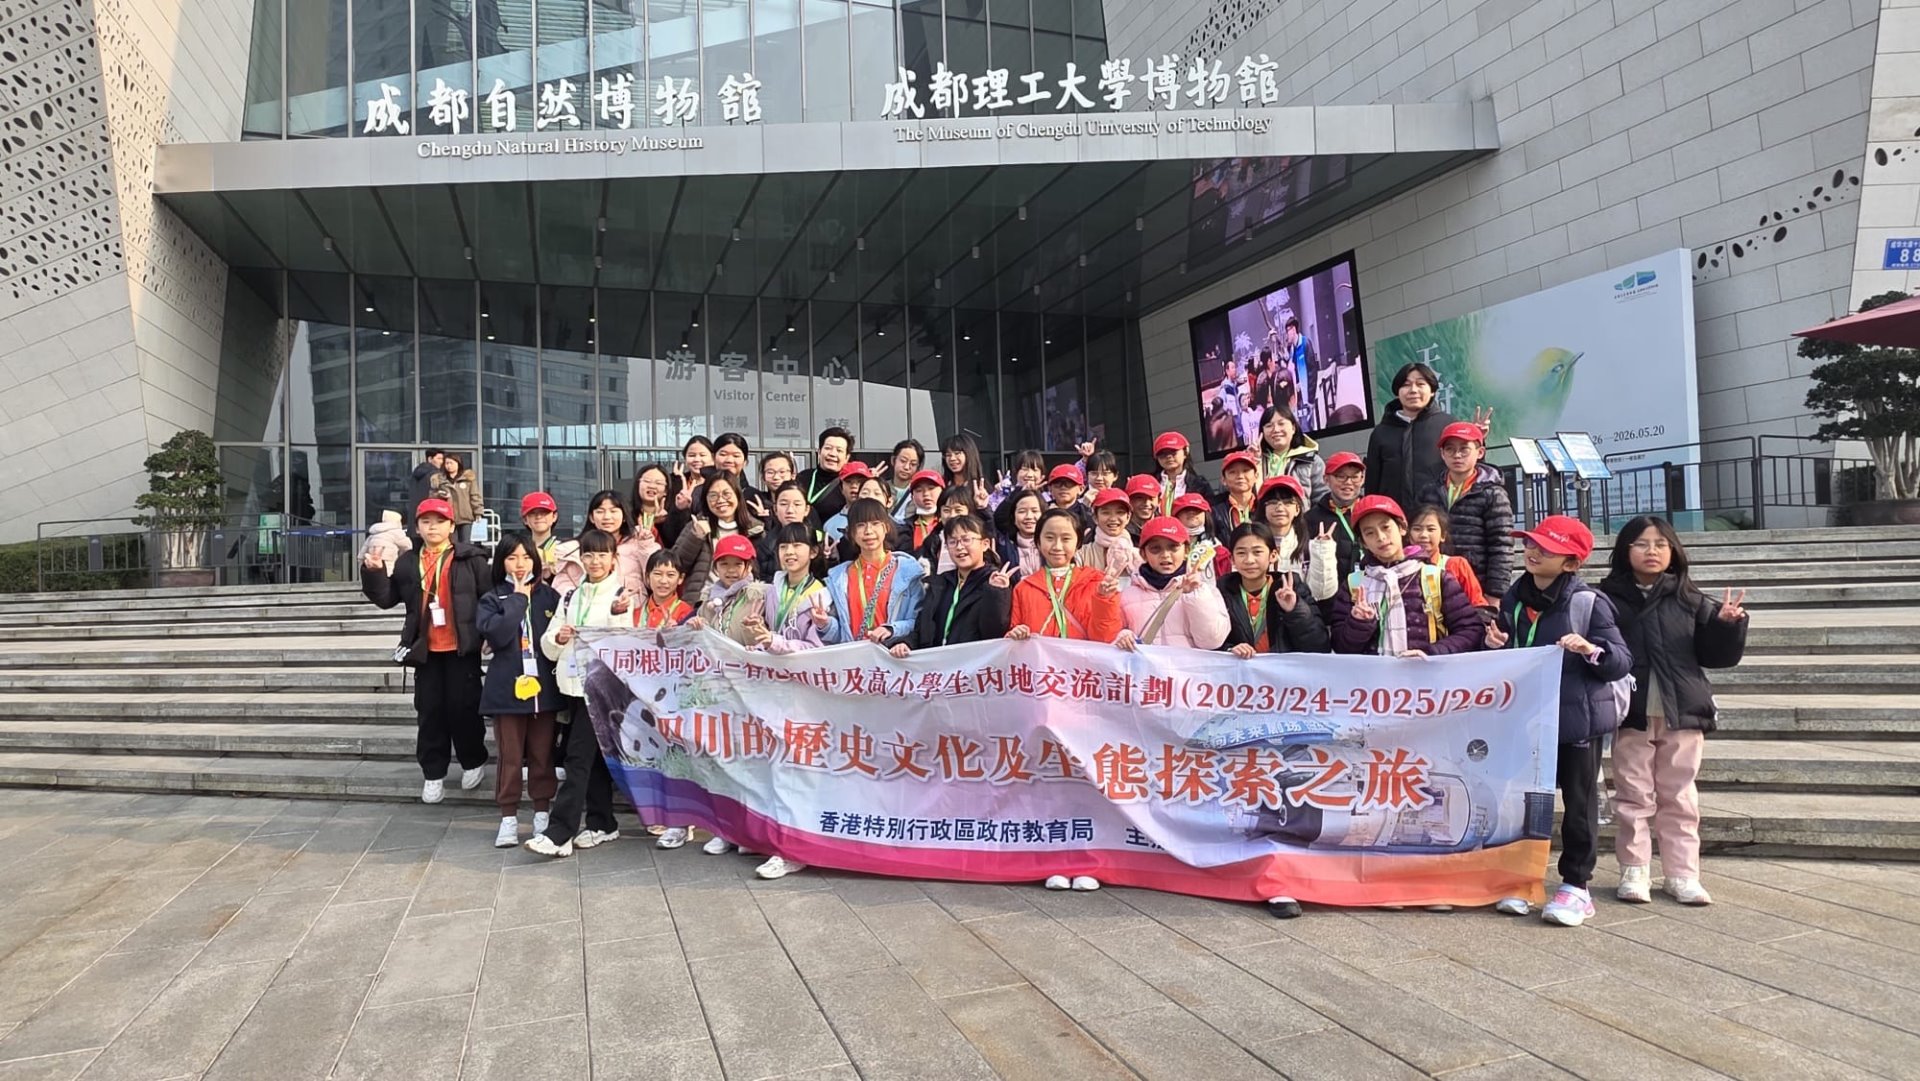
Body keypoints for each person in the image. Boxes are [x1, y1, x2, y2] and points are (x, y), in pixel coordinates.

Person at [1484, 515, 1634, 927]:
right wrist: (1493, 642)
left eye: (1547, 549)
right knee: (1522, 801)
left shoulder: (1588, 603)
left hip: (1575, 723)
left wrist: (1589, 649)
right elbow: (1508, 650)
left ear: (1570, 563)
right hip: (1526, 718)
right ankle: (1522, 878)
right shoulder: (1515, 597)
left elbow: (1621, 660)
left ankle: (1576, 886)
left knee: (1579, 805)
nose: (1533, 552)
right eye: (1531, 544)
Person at [1599, 516, 1748, 908]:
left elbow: (1716, 657)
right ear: (1625, 550)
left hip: (1682, 710)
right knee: (1632, 796)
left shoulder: (1691, 599)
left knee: (1679, 795)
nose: (1652, 551)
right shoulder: (1606, 599)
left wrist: (1727, 626)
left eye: (1661, 544)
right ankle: (1635, 870)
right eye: (1642, 544)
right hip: (1631, 712)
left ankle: (1682, 874)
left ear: (1673, 551)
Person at [362, 497, 492, 804]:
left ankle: (473, 761)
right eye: (426, 522)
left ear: (451, 526)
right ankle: (433, 774)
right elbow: (386, 598)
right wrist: (374, 572)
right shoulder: (408, 561)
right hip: (425, 650)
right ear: (417, 527)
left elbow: (488, 598)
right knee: (430, 712)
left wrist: (488, 633)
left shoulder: (470, 558)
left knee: (464, 709)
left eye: (440, 521)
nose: (433, 527)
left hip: (462, 648)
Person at [527, 528, 629, 858]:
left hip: (600, 690)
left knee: (577, 758)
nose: (595, 561)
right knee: (592, 759)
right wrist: (558, 638)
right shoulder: (571, 596)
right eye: (588, 554)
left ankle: (560, 831)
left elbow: (625, 646)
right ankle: (603, 823)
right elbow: (549, 641)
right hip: (572, 686)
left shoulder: (621, 598)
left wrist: (617, 617)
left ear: (613, 558)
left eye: (602, 554)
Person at [475, 534, 563, 848]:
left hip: (544, 690)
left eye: (526, 557)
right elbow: (496, 635)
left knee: (543, 754)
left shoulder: (550, 597)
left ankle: (541, 813)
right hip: (507, 691)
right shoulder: (492, 598)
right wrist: (518, 599)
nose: (520, 564)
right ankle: (508, 817)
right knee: (510, 757)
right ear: (501, 563)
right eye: (512, 558)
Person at [1328, 495, 1483, 658]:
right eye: (1370, 533)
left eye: (1386, 527)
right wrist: (1358, 623)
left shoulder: (1436, 578)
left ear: (1402, 528)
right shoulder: (1354, 584)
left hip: (1426, 673)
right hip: (1373, 675)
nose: (1381, 537)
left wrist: (1431, 653)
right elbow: (1340, 647)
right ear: (1364, 542)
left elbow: (1471, 631)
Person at [1416, 422, 1515, 599]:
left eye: (1464, 449)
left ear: (1480, 452)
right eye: (1450, 449)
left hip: (1476, 585)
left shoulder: (1493, 494)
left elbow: (1501, 546)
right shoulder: (1429, 491)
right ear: (1442, 454)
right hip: (1432, 581)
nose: (1457, 455)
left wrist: (1494, 594)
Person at [890, 514, 1013, 653]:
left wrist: (996, 594)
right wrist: (907, 644)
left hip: (971, 663)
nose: (959, 547)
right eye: (952, 542)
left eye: (966, 540)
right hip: (937, 663)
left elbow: (994, 634)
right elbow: (922, 630)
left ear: (985, 544)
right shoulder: (940, 583)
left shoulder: (996, 583)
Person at [1006, 508, 1123, 645]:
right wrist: (1016, 633)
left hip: (1080, 659)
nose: (1057, 546)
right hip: (1041, 659)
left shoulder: (1096, 582)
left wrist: (1104, 599)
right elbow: (1012, 639)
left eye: (1066, 539)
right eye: (1049, 538)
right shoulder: (1024, 588)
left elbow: (1105, 638)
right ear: (1038, 542)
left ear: (1078, 543)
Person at [1114, 516, 1230, 652]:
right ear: (1143, 554)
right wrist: (1123, 637)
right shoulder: (1126, 596)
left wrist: (1195, 596)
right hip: (1145, 666)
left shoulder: (1205, 591)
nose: (1165, 555)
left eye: (1173, 547)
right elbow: (1111, 634)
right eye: (1155, 549)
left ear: (1186, 550)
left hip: (1186, 666)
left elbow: (1212, 641)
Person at [823, 498, 926, 645]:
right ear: (851, 532)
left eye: (875, 523)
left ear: (886, 527)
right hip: (855, 656)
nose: (868, 531)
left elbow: (919, 622)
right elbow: (839, 634)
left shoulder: (907, 572)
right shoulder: (840, 578)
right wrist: (825, 624)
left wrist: (892, 629)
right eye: (860, 525)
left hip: (893, 654)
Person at [1219, 523, 1330, 657]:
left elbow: (1319, 645)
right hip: (1240, 669)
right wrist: (1229, 650)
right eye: (1241, 553)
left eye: (1257, 552)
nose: (1249, 560)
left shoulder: (1292, 587)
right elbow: (1208, 641)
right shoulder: (1221, 591)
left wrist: (1295, 609)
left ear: (1273, 555)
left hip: (1284, 669)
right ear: (1232, 559)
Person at [1364, 361, 1457, 510]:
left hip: (1438, 516)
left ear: (1432, 391)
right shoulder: (1381, 433)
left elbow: (1467, 468)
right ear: (1397, 392)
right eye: (1406, 385)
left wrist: (1478, 440)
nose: (1413, 390)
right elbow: (1372, 485)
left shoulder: (1448, 425)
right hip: (1393, 518)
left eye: (1420, 384)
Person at [672, 472, 764, 603]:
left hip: (743, 603)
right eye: (713, 495)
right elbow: (676, 566)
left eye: (726, 494)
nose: (720, 500)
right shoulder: (696, 525)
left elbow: (763, 572)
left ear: (738, 495)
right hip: (702, 602)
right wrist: (695, 537)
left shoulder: (755, 530)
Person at [1304, 451, 1367, 602]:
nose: (1348, 482)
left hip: (1370, 595)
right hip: (1330, 601)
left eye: (1354, 477)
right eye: (1340, 476)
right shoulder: (1310, 519)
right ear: (1326, 479)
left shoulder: (1372, 512)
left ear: (1362, 479)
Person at [692, 533, 768, 649]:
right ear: (715, 568)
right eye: (724, 564)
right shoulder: (708, 599)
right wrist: (697, 627)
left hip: (747, 659)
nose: (731, 570)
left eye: (738, 564)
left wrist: (754, 633)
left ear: (750, 567)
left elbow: (772, 638)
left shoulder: (760, 597)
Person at [1408, 505, 1489, 608]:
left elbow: (1478, 604)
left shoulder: (1457, 565)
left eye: (1431, 529)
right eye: (1417, 529)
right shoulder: (1403, 569)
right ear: (1408, 534)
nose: (1423, 535)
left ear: (1443, 536)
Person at [576, 489, 650, 595]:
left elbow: (653, 576)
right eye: (600, 511)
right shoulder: (575, 548)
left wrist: (645, 545)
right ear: (591, 517)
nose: (607, 517)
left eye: (613, 511)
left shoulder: (639, 542)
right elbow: (563, 585)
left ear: (624, 516)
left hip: (633, 603)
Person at [1255, 406, 1328, 505]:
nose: (1276, 429)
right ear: (1262, 432)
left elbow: (1322, 501)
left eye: (1281, 423)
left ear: (1293, 428)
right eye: (1269, 426)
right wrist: (1253, 462)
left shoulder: (1312, 461)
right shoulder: (1255, 461)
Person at [1075, 488, 1140, 577]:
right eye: (1106, 513)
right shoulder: (1081, 555)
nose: (1113, 518)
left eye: (1120, 512)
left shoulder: (1139, 556)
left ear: (1128, 517)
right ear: (1095, 518)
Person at [796, 426, 855, 521]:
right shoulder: (802, 477)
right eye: (828, 448)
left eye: (839, 450)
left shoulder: (847, 484)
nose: (832, 454)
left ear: (846, 457)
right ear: (819, 452)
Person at [1150, 431, 1215, 514]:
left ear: (1185, 452)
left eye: (1173, 452)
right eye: (1162, 454)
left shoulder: (1200, 484)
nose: (1168, 457)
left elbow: (1210, 513)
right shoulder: (1150, 482)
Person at [1256, 476, 1309, 576]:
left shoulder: (1309, 545)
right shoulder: (1250, 541)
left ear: (1297, 509)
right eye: (1273, 502)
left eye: (1287, 503)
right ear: (1263, 509)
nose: (1280, 508)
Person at [433, 452, 485, 545]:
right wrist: (440, 495)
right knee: (451, 544)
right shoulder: (440, 480)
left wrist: (478, 512)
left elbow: (475, 496)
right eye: (447, 463)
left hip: (465, 517)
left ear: (458, 463)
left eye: (451, 463)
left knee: (465, 544)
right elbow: (432, 496)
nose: (449, 466)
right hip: (448, 517)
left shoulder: (468, 479)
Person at [634, 550, 695, 630]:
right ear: (647, 577)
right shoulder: (636, 613)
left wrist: (674, 631)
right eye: (657, 574)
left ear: (680, 578)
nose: (663, 581)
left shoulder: (686, 613)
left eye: (670, 575)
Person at [994, 489, 1045, 580]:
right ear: (1013, 517)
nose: (1029, 516)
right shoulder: (1003, 546)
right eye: (1022, 511)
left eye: (1034, 511)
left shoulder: (1053, 545)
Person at [820, 462, 876, 545]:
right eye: (849, 481)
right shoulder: (830, 525)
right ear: (841, 488)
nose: (854, 486)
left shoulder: (883, 519)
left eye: (860, 481)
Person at [1210, 450, 1261, 540]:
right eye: (1232, 472)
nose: (1240, 476)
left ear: (1256, 476)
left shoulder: (1264, 507)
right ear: (1223, 480)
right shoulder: (1214, 512)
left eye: (1246, 470)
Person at [1172, 493, 1226, 577]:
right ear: (1176, 515)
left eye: (1197, 509)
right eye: (1186, 509)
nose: (1192, 513)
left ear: (1206, 515)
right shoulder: (1167, 548)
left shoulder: (1220, 552)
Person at [894, 469, 947, 552]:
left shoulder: (950, 523)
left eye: (931, 488)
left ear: (943, 491)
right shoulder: (903, 528)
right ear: (912, 497)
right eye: (919, 490)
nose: (926, 494)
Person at [629, 464, 672, 553]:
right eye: (647, 481)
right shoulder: (626, 514)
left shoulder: (673, 517)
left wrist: (661, 523)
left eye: (658, 483)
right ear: (638, 484)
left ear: (666, 491)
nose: (652, 486)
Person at [1044, 464, 1095, 537]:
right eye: (1058, 483)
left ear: (1081, 489)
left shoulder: (1088, 516)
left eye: (1069, 483)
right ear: (1050, 489)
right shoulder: (1042, 511)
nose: (1063, 487)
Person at [940, 433, 988, 506]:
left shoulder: (981, 488)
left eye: (957, 453)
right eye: (948, 455)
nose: (952, 458)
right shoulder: (942, 485)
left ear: (969, 454)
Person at [407, 448, 446, 538]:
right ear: (430, 459)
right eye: (439, 458)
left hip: (416, 514)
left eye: (442, 459)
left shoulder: (416, 473)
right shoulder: (435, 474)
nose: (441, 462)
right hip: (430, 512)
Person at [881, 438, 926, 515]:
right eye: (903, 461)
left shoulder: (919, 493)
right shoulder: (881, 488)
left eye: (913, 464)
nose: (906, 467)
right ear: (893, 460)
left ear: (918, 467)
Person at [520, 491, 560, 573]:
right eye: (532, 513)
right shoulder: (519, 548)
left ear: (554, 516)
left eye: (544, 512)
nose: (538, 516)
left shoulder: (563, 548)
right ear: (525, 520)